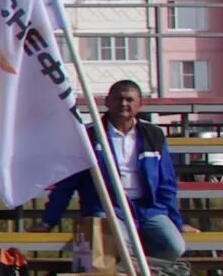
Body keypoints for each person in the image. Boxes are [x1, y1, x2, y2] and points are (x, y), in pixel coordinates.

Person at [42, 79, 193, 260]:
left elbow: (166, 183)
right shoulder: (89, 136)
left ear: (140, 104)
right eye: (118, 99)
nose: (123, 104)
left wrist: (177, 222)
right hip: (108, 207)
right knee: (122, 246)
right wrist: (49, 220)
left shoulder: (154, 135)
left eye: (129, 100)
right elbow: (67, 182)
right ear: (107, 102)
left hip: (147, 208)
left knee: (174, 247)